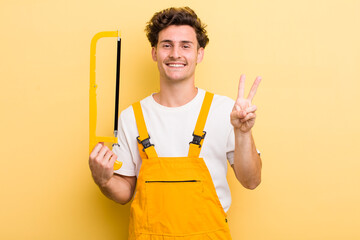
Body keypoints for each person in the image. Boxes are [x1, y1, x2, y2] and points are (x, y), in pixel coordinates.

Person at [89, 6, 262, 239]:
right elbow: (124, 192)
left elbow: (251, 181)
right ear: (154, 52)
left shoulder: (225, 111)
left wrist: (242, 133)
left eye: (185, 45)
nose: (175, 54)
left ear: (200, 54)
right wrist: (104, 181)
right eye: (167, 44)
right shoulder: (132, 117)